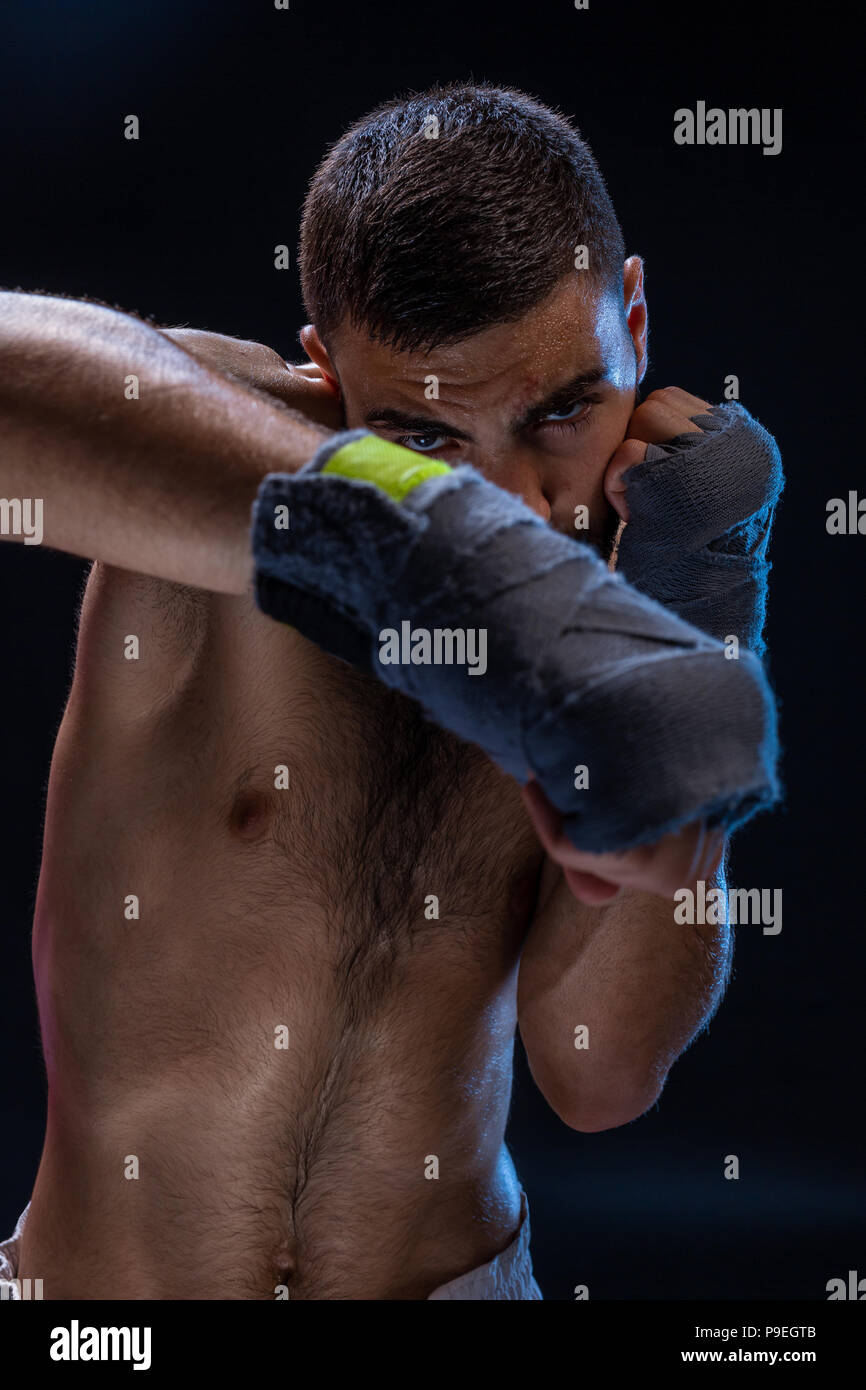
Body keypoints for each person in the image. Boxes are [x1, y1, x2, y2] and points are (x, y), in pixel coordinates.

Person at [0, 83, 780, 1300]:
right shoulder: (212, 445)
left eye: (564, 408)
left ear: (631, 316)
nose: (517, 502)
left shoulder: (647, 574)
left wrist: (701, 605)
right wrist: (415, 541)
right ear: (323, 377)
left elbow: (598, 1074)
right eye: (425, 441)